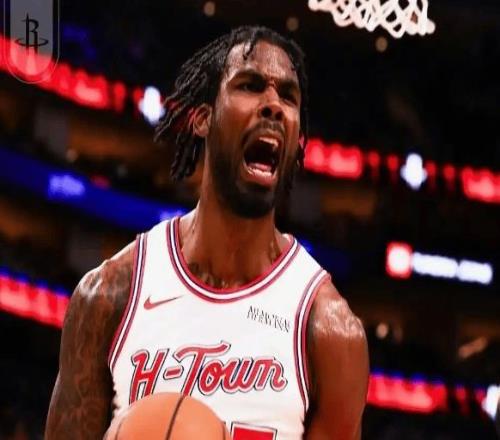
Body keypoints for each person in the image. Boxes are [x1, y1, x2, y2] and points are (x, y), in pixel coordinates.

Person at [45, 26, 369, 439]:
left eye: (288, 96)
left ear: (297, 140)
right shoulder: (109, 296)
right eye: (250, 85)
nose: (273, 105)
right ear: (202, 118)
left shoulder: (330, 331)